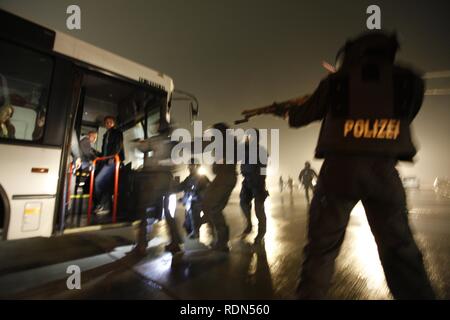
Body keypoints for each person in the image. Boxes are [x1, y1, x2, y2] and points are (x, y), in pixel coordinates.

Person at [271, 31, 435, 299]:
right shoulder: (410, 81)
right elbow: (407, 113)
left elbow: (302, 116)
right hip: (383, 171)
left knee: (321, 250)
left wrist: (284, 110)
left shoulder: (337, 81)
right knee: (400, 253)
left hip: (340, 171)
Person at [134, 123, 183, 255]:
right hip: (167, 180)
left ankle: (142, 244)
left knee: (143, 209)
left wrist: (139, 142)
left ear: (158, 130)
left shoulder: (154, 140)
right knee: (167, 211)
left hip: (154, 178)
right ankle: (175, 243)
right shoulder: (174, 143)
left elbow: (141, 148)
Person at [202, 123, 238, 252]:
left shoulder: (226, 142)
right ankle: (219, 237)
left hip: (225, 177)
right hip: (223, 177)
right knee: (208, 202)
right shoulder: (225, 141)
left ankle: (222, 242)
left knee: (214, 207)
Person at [239, 130, 269, 243]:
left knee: (258, 209)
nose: (246, 138)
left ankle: (261, 232)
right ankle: (249, 225)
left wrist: (260, 181)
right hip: (247, 180)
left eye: (249, 136)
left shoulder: (261, 151)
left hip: (257, 182)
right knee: (243, 203)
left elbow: (263, 168)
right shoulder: (244, 150)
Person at [94, 116, 124, 215]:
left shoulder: (117, 132)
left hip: (112, 161)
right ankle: (104, 205)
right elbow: (104, 151)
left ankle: (101, 204)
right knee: (104, 183)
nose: (108, 123)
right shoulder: (105, 135)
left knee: (98, 181)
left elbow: (118, 146)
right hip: (105, 161)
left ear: (113, 123)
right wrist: (98, 156)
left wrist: (112, 157)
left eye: (110, 122)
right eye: (106, 122)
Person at [176, 160, 210, 240]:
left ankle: (196, 233)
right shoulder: (189, 178)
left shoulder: (202, 178)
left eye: (192, 166)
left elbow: (207, 190)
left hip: (196, 202)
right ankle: (193, 233)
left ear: (197, 167)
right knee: (188, 224)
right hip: (189, 203)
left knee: (195, 217)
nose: (190, 168)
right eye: (189, 166)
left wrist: (197, 196)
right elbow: (182, 187)